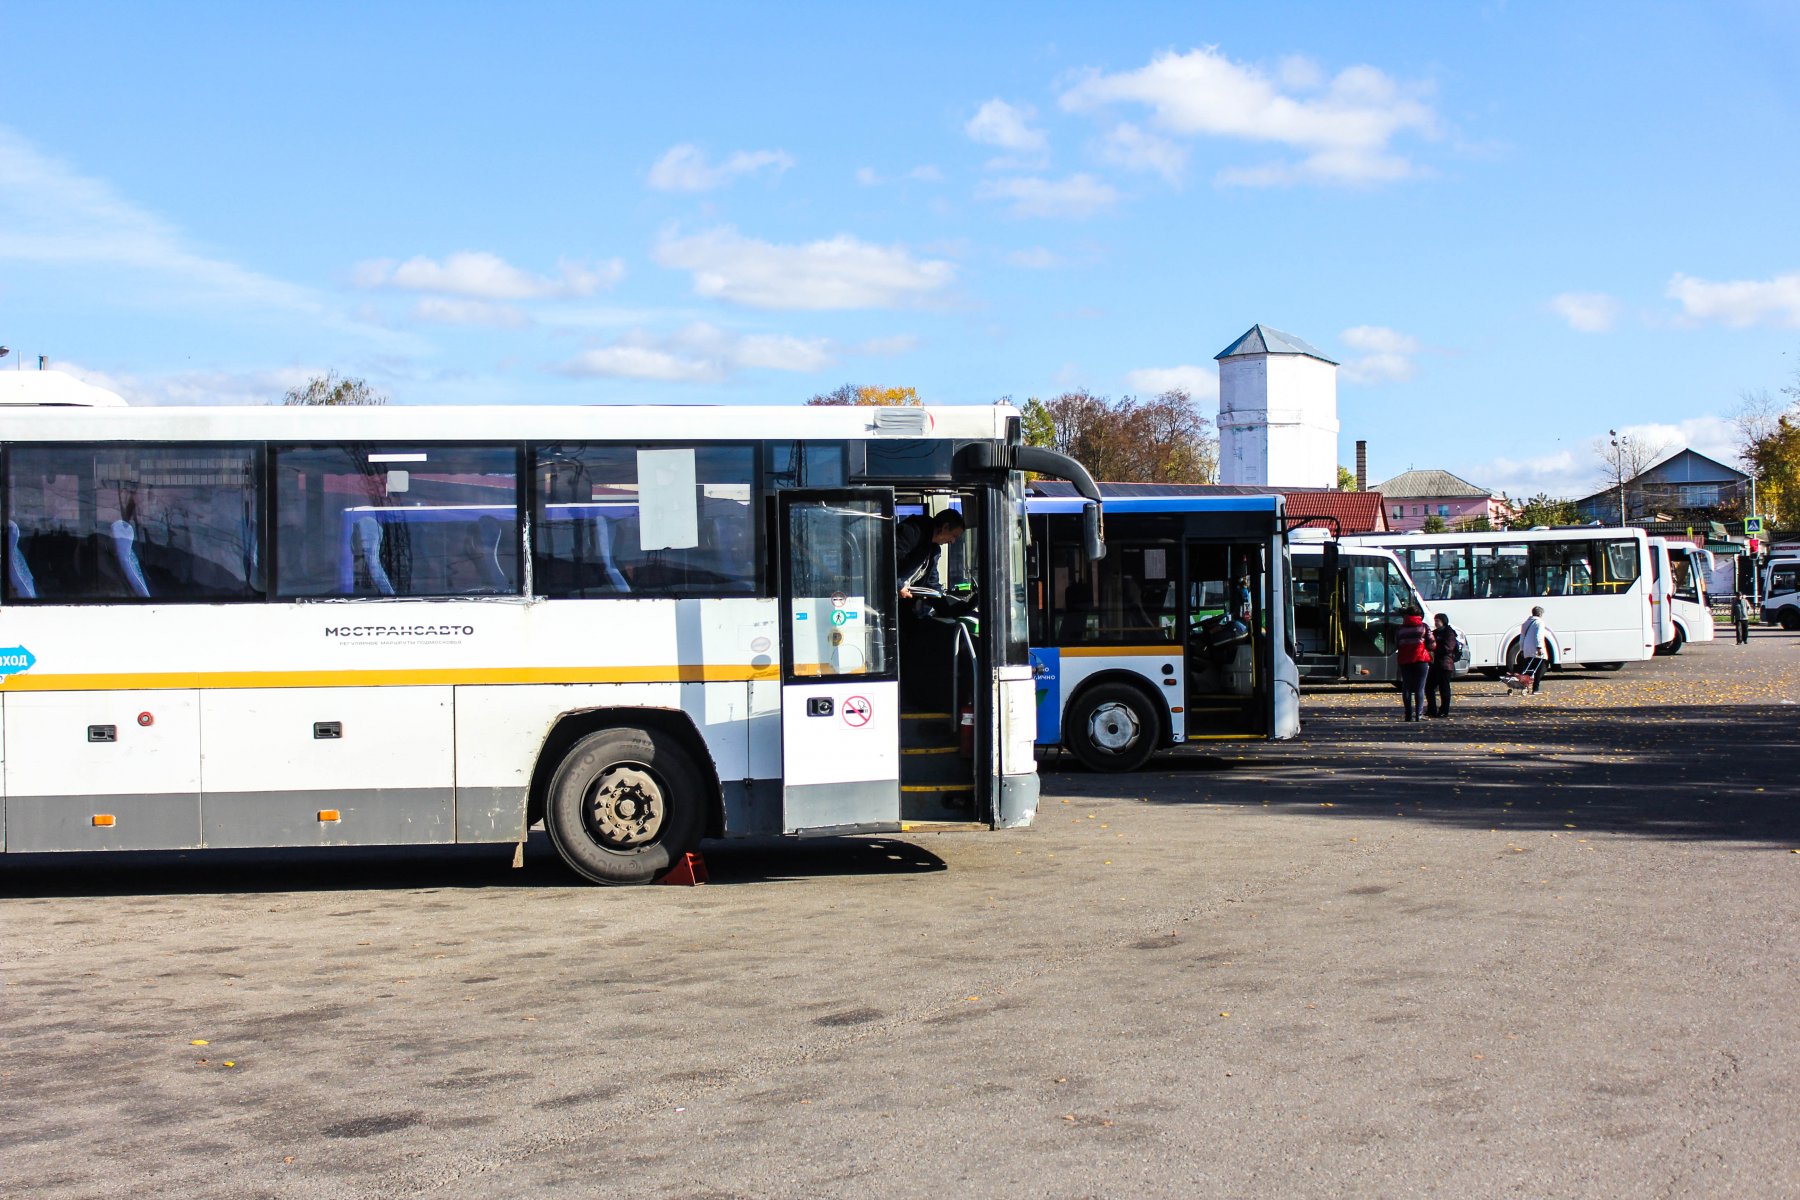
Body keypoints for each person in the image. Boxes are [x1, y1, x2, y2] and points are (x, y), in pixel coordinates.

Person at [896, 509, 965, 599]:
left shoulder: (933, 550)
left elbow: (932, 583)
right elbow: (888, 559)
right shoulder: (912, 531)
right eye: (954, 536)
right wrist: (898, 586)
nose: (953, 541)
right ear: (945, 527)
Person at [1394, 606, 1435, 722]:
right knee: (1420, 688)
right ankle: (1418, 715)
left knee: (1406, 687)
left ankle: (1408, 715)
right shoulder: (1424, 627)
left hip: (1404, 660)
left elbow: (1397, 643)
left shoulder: (1400, 629)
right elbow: (1432, 644)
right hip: (1420, 659)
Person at [1426, 612, 1461, 718]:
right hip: (1435, 664)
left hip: (1445, 665)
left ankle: (1444, 711)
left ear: (1443, 621)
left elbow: (1448, 648)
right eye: (1435, 621)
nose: (1436, 623)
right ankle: (1432, 710)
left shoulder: (1449, 632)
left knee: (1444, 688)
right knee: (1429, 687)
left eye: (1438, 621)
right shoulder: (1435, 633)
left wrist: (1434, 648)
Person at [1518, 605, 1551, 693]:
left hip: (1527, 649)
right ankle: (1535, 688)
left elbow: (1522, 637)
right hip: (1536, 649)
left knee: (1528, 668)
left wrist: (1522, 649)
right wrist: (1539, 647)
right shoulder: (1539, 622)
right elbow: (1538, 636)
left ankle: (1524, 685)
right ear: (1540, 614)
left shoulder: (1526, 623)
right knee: (1542, 667)